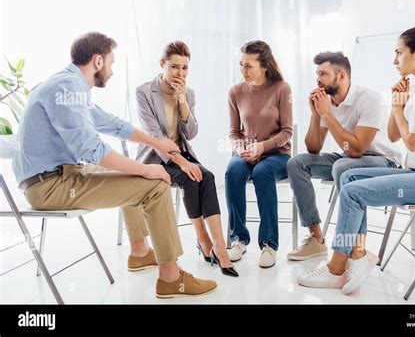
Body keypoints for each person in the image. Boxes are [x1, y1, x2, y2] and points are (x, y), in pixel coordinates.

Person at [12, 32, 217, 298]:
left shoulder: (65, 85)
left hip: (56, 178)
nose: (112, 69)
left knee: (130, 170)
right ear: (98, 61)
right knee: (154, 184)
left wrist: (156, 143)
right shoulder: (67, 89)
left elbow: (110, 123)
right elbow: (92, 149)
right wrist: (147, 168)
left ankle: (140, 252)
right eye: (111, 62)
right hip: (51, 186)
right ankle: (171, 278)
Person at [297, 26, 415, 295]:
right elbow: (396, 135)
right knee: (348, 176)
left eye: (399, 53)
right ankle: (358, 253)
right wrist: (399, 102)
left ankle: (337, 266)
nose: (395, 60)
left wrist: (397, 107)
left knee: (352, 191)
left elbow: (412, 143)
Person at [286, 51, 402, 261]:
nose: (318, 80)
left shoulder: (369, 99)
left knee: (343, 166)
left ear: (341, 76)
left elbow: (356, 149)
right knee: (297, 163)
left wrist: (327, 115)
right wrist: (315, 114)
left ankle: (357, 248)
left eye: (323, 74)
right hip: (349, 158)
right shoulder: (326, 102)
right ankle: (316, 239)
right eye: (317, 74)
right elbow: (313, 148)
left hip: (384, 161)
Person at [135, 41, 238, 277]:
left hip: (182, 155)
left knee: (207, 176)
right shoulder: (144, 92)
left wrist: (182, 103)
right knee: (190, 178)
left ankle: (220, 248)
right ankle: (203, 240)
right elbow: (155, 137)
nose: (180, 73)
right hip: (155, 160)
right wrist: (184, 163)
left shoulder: (188, 93)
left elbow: (191, 133)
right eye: (174, 67)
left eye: (185, 68)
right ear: (162, 64)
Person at [225, 40, 293, 268]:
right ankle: (238, 239)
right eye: (240, 65)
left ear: (264, 66)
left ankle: (269, 245)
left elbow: (287, 132)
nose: (242, 71)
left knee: (263, 172)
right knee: (233, 171)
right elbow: (234, 132)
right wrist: (241, 149)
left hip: (277, 155)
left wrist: (261, 147)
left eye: (248, 66)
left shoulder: (282, 89)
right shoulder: (235, 92)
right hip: (246, 153)